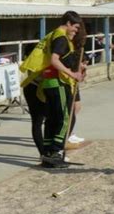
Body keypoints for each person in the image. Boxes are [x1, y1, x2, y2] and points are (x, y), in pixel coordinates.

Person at [20, 11, 84, 168]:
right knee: (64, 118)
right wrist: (72, 73)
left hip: (48, 82)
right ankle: (55, 152)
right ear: (68, 23)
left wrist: (78, 66)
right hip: (56, 82)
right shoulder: (60, 37)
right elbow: (54, 60)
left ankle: (48, 153)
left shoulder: (53, 35)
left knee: (52, 119)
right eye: (75, 28)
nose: (76, 31)